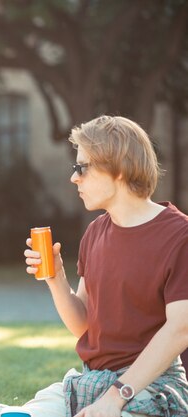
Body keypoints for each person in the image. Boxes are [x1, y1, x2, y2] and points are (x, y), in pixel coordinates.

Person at [22, 116, 188, 417]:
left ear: (119, 169)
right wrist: (56, 278)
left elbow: (181, 328)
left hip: (152, 387)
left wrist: (117, 396)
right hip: (93, 381)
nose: (74, 178)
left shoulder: (180, 236)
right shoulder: (96, 232)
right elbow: (84, 326)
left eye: (82, 168)